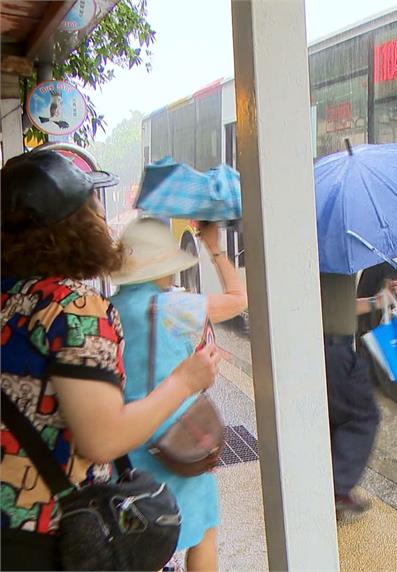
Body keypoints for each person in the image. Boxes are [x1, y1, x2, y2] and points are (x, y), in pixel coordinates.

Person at [1, 151, 220, 570]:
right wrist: (185, 382)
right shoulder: (73, 308)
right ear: (76, 226)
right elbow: (102, 439)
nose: (103, 217)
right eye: (94, 206)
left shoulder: (9, 298)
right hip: (49, 538)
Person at [109, 218, 247, 571]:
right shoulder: (170, 308)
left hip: (125, 442)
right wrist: (214, 246)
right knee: (202, 532)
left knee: (142, 532)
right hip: (177, 440)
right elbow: (238, 300)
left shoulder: (107, 309)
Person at [321, 272, 397, 522]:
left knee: (336, 419)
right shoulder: (327, 257)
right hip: (335, 351)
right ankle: (336, 490)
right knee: (363, 417)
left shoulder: (324, 255)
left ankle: (331, 490)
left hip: (330, 348)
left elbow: (338, 305)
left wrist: (379, 300)